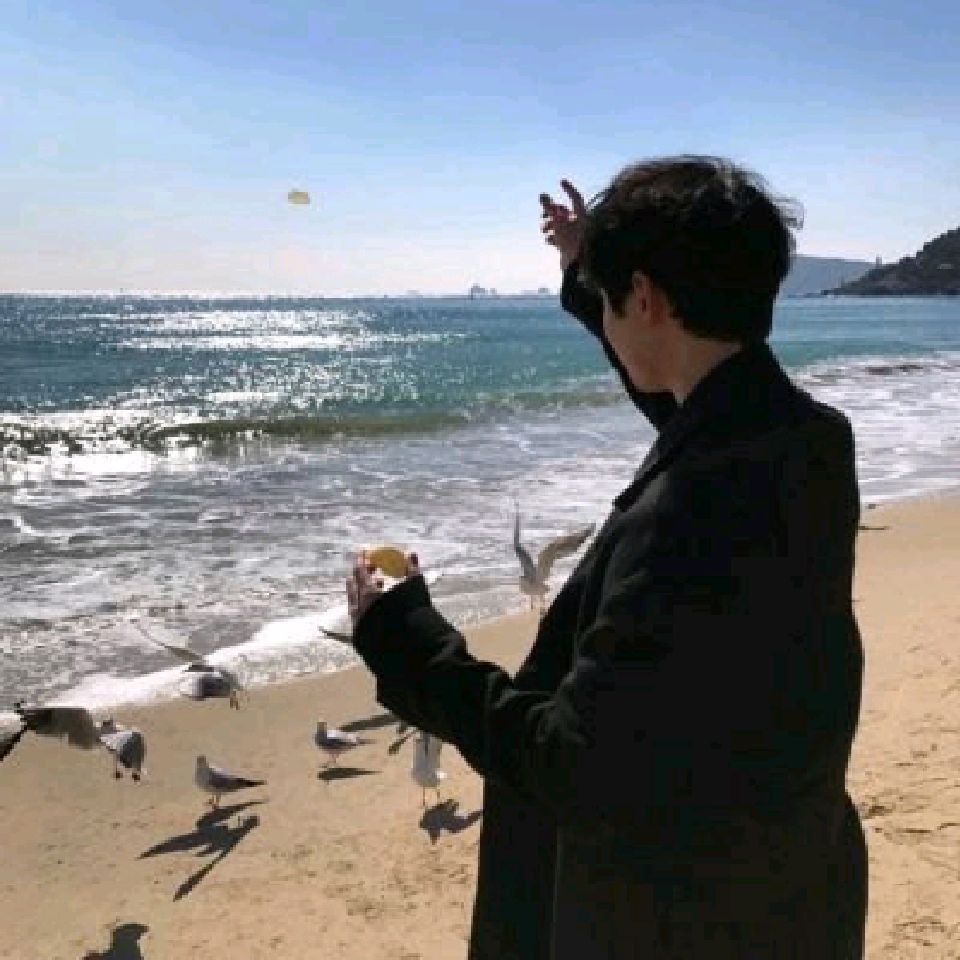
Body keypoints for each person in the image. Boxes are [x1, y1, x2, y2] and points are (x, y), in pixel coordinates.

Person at [346, 155, 867, 959]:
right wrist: (597, 271)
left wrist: (405, 638)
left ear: (648, 298)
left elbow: (572, 766)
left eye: (618, 295)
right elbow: (693, 405)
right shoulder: (810, 443)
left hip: (681, 917)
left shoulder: (685, 519)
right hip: (794, 877)